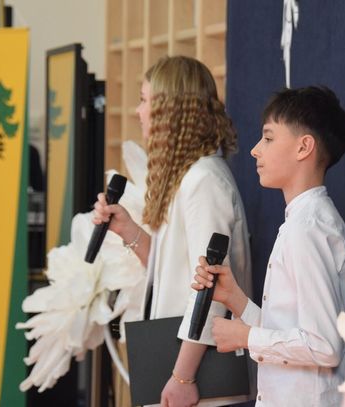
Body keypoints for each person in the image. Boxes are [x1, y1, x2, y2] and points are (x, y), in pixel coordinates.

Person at [93, 55, 252, 406]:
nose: (138, 112)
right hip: (180, 365)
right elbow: (174, 274)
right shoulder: (189, 177)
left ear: (170, 110)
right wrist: (128, 230)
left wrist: (183, 377)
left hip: (200, 377)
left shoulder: (204, 181)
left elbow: (210, 290)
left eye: (145, 100)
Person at [193, 86, 345, 406]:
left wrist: (246, 337)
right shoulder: (303, 221)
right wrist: (235, 299)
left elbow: (323, 345)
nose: (255, 150)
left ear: (303, 147)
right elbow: (292, 331)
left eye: (268, 138)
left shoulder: (308, 228)